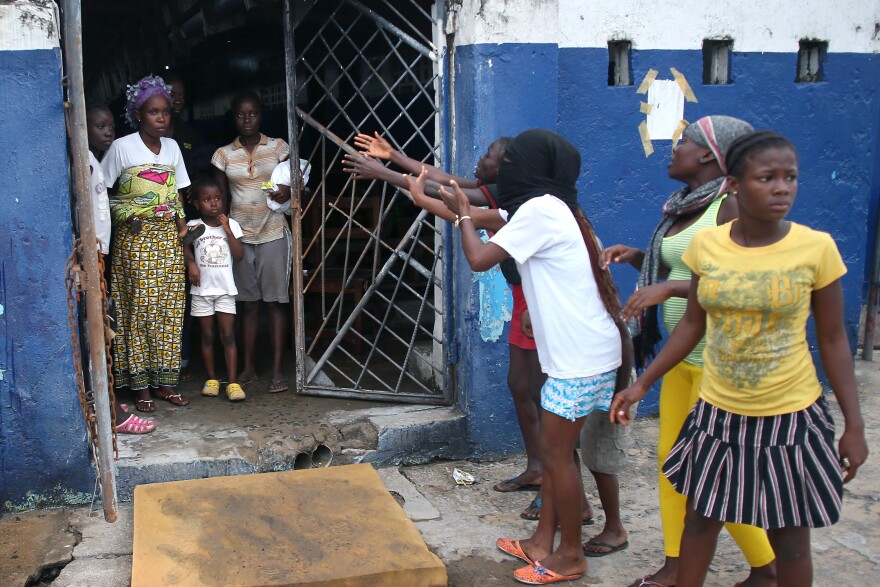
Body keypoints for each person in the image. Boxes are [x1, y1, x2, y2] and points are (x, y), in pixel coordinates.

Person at [612, 131, 869, 587]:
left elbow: (833, 341)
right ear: (733, 184)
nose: (782, 188)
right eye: (767, 178)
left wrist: (854, 424)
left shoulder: (816, 249)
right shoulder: (708, 247)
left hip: (790, 418)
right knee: (699, 523)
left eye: (790, 178)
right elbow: (693, 324)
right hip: (717, 416)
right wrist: (642, 383)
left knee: (789, 542)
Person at [426, 128, 627, 583]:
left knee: (556, 456)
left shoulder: (540, 211)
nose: (505, 167)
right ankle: (542, 542)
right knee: (560, 454)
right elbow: (481, 211)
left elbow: (478, 258)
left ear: (531, 168)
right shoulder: (548, 207)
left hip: (580, 357)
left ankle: (570, 556)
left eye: (512, 160)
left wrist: (462, 220)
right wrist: (440, 199)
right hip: (582, 352)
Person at [602, 116, 776, 587]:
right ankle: (677, 563)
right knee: (673, 467)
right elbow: (692, 264)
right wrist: (641, 259)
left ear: (707, 155)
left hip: (721, 363)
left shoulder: (729, 205)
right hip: (684, 358)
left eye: (683, 142)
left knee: (717, 476)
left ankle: (767, 568)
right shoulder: (684, 207)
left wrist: (668, 288)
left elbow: (743, 278)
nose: (673, 149)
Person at [101, 75, 193, 412]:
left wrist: (183, 231)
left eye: (166, 112)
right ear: (138, 114)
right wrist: (129, 214)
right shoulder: (122, 148)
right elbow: (104, 196)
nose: (162, 118)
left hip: (168, 241)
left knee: (169, 311)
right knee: (138, 311)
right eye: (154, 112)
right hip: (135, 242)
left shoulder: (172, 148)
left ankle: (166, 383)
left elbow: (178, 194)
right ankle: (140, 387)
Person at [212, 90, 291, 392]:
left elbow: (298, 181)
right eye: (241, 114)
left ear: (262, 115)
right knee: (248, 305)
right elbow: (219, 199)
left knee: (275, 303)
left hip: (272, 230)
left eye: (253, 113)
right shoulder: (223, 154)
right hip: (239, 234)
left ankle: (277, 370)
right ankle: (247, 367)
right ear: (233, 117)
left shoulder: (278, 147)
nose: (247, 119)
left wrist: (289, 191)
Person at [86, 104, 157, 434]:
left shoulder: (94, 162)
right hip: (88, 257)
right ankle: (111, 411)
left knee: (106, 327)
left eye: (110, 126)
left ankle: (107, 398)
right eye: (100, 126)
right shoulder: (84, 163)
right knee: (101, 331)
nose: (108, 132)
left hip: (98, 255)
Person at [185, 177, 245, 401]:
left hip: (225, 290)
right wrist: (191, 263)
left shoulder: (232, 225)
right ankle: (211, 379)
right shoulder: (193, 226)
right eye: (207, 200)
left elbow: (239, 255)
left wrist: (227, 229)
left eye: (218, 198)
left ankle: (233, 383)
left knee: (228, 335)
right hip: (201, 291)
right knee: (207, 336)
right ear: (197, 204)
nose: (214, 203)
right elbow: (185, 248)